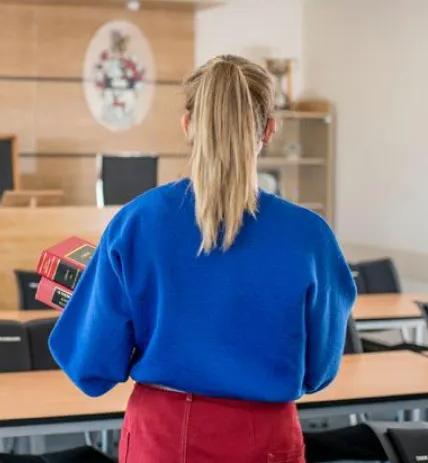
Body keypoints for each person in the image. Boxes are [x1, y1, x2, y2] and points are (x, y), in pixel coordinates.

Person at [48, 55, 356, 463]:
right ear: (269, 129)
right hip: (266, 438)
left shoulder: (137, 222)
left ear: (188, 124)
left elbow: (92, 366)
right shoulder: (309, 235)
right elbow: (319, 370)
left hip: (163, 436)